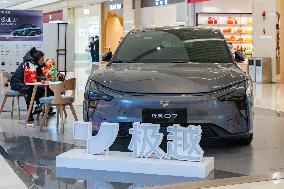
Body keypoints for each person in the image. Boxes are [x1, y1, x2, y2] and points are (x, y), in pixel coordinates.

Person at [10, 47, 51, 122]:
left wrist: (45, 76)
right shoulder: (28, 64)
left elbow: (38, 76)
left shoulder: (37, 64)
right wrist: (41, 78)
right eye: (41, 59)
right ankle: (29, 114)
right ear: (36, 60)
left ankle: (43, 107)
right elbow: (31, 79)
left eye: (43, 59)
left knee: (46, 88)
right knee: (31, 89)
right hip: (17, 83)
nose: (43, 61)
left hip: (25, 83)